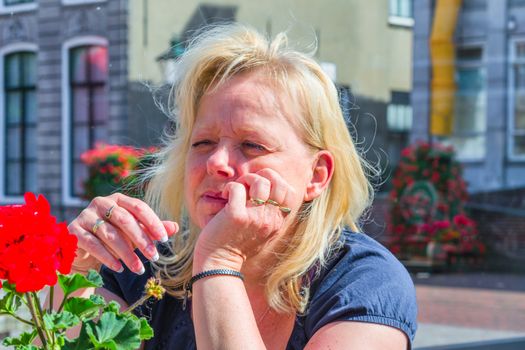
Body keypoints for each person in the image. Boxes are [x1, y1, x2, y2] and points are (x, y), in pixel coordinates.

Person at [66, 24, 417, 349]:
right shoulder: (145, 269)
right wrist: (74, 269)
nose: (216, 162)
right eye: (202, 142)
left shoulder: (363, 282)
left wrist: (219, 260)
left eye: (252, 145)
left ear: (317, 175)